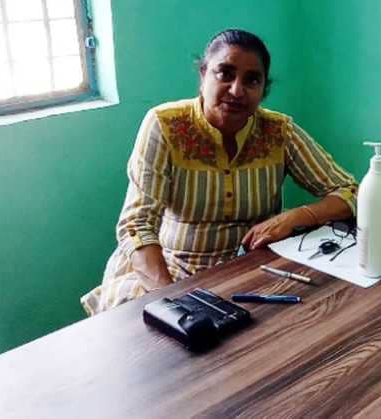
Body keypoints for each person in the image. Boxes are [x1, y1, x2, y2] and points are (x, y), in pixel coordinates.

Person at [81, 29, 358, 316]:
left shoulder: (278, 131)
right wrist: (172, 301)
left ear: (264, 89)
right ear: (203, 76)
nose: (237, 90)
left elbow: (352, 192)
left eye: (252, 80)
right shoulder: (165, 126)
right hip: (173, 274)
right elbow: (137, 225)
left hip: (257, 272)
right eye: (225, 73)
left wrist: (295, 217)